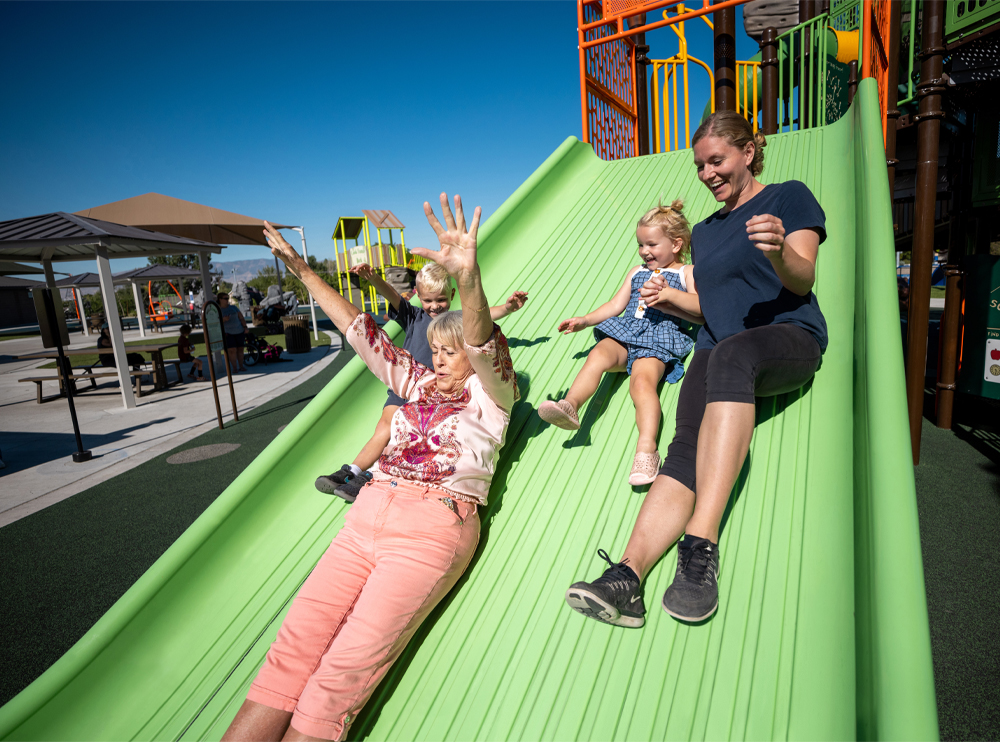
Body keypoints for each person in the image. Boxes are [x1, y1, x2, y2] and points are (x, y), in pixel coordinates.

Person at [223, 194, 518, 742]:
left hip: (430, 530)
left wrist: (470, 279)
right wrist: (302, 270)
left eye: (448, 349)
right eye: (433, 347)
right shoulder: (416, 383)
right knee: (290, 654)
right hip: (367, 518)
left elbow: (482, 341)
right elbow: (361, 331)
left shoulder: (492, 396)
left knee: (339, 679)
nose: (438, 356)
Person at [565, 110, 827, 627]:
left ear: (748, 153)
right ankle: (627, 576)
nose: (707, 173)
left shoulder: (787, 197)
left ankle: (700, 547)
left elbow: (801, 279)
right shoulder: (704, 233)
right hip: (719, 342)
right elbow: (712, 308)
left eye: (717, 160)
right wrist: (669, 300)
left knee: (729, 352)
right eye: (700, 165)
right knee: (685, 443)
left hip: (787, 338)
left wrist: (777, 254)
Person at [315, 261, 528, 501]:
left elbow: (482, 319)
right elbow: (393, 296)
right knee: (385, 427)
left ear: (452, 295)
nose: (435, 306)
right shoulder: (414, 316)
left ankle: (367, 476)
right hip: (407, 383)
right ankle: (351, 471)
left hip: (434, 394)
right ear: (419, 297)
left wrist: (508, 308)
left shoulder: (456, 323)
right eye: (428, 300)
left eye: (440, 300)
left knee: (410, 433)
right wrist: (373, 279)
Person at [537, 200, 697, 485]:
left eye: (651, 245)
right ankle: (571, 405)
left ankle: (647, 449)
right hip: (627, 332)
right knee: (598, 354)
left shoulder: (686, 273)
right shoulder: (636, 272)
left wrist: (670, 294)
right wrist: (585, 320)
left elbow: (699, 307)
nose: (644, 251)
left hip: (659, 337)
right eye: (640, 245)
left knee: (641, 384)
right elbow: (615, 304)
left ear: (676, 244)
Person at [218, 292, 249, 373]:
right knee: (232, 350)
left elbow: (241, 317)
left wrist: (245, 327)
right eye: (225, 298)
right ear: (220, 299)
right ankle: (234, 368)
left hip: (239, 331)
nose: (227, 300)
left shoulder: (234, 307)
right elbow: (215, 322)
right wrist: (223, 320)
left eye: (228, 298)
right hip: (227, 333)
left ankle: (241, 366)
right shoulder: (218, 310)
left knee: (240, 349)